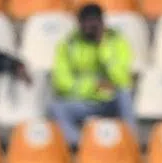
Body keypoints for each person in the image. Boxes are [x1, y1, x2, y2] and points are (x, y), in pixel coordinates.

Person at [48, 3, 136, 147]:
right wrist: (94, 86)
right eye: (87, 21)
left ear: (102, 22)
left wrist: (103, 47)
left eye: (94, 21)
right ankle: (81, 145)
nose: (91, 26)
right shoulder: (69, 44)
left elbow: (122, 79)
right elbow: (61, 82)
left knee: (125, 95)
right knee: (56, 107)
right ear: (79, 23)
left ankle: (130, 142)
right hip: (84, 101)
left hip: (110, 100)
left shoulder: (116, 41)